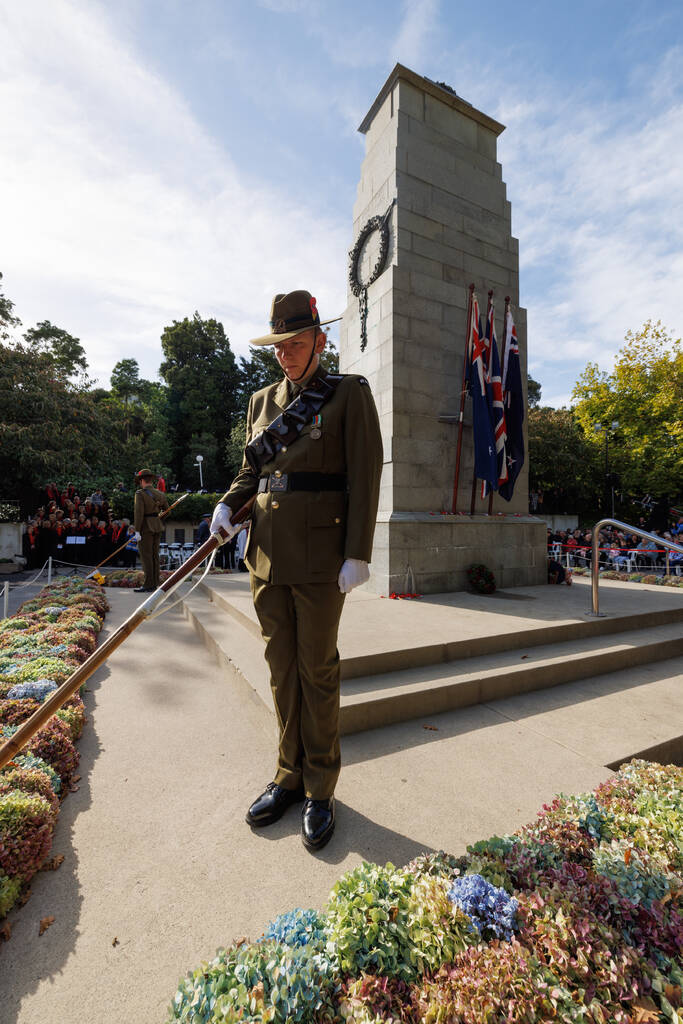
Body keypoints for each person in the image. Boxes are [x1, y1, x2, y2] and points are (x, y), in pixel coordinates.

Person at [210, 289, 383, 851]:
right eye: (279, 346)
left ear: (319, 340)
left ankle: (320, 787)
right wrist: (226, 505)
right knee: (282, 672)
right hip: (266, 556)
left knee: (317, 672)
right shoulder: (262, 401)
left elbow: (366, 474)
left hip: (319, 559)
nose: (286, 355)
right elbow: (252, 472)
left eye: (296, 343)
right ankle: (287, 774)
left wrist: (358, 552)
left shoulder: (348, 394)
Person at [133, 468, 169, 592]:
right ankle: (154, 583)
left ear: (142, 480)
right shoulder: (160, 494)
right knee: (154, 556)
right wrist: (157, 520)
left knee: (146, 556)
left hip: (145, 528)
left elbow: (139, 513)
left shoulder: (140, 493)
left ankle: (148, 584)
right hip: (157, 527)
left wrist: (137, 530)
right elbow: (167, 511)